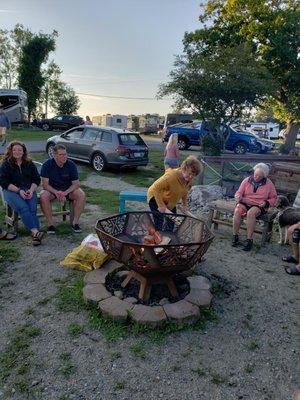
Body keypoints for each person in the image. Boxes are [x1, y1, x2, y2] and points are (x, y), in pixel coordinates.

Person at [0, 141, 43, 246]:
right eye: (14, 150)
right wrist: (19, 191)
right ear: (10, 151)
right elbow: (3, 182)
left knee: (32, 210)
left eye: (20, 150)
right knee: (23, 208)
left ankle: (35, 234)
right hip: (11, 191)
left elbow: (36, 179)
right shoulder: (6, 164)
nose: (17, 152)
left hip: (28, 190)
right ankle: (36, 232)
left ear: (23, 151)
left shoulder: (29, 164)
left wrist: (31, 190)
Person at [40, 144, 86, 234]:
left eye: (65, 154)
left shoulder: (71, 164)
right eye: (61, 155)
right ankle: (50, 225)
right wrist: (56, 192)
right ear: (54, 155)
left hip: (68, 190)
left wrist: (65, 193)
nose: (64, 157)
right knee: (43, 195)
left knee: (81, 194)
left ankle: (75, 223)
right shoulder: (47, 165)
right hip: (52, 190)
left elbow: (76, 184)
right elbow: (45, 185)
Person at [147, 155, 203, 231]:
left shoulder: (188, 178)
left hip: (169, 199)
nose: (190, 177)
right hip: (156, 197)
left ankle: (167, 238)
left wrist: (185, 205)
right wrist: (160, 205)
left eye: (193, 175)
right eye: (189, 174)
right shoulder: (171, 176)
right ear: (184, 168)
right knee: (159, 221)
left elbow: (185, 191)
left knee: (171, 221)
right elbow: (156, 188)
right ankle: (157, 239)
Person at [232, 163, 278, 251]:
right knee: (237, 210)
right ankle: (235, 236)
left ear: (264, 176)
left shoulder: (269, 183)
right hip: (245, 202)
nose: (256, 177)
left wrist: (266, 203)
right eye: (255, 174)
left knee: (251, 213)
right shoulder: (247, 180)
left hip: (259, 205)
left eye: (259, 176)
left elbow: (274, 198)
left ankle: (249, 240)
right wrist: (237, 197)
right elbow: (239, 192)